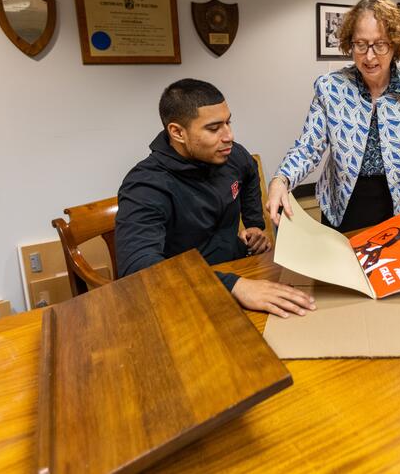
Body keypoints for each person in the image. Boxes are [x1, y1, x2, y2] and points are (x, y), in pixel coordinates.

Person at [115, 78, 316, 318]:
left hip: (238, 271)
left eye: (228, 122)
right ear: (178, 132)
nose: (229, 135)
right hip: (181, 295)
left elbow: (250, 170)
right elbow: (138, 270)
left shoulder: (229, 155)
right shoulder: (145, 185)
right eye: (213, 128)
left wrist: (254, 224)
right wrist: (232, 286)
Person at [267, 0, 400, 232]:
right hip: (344, 203)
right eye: (360, 44)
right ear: (350, 43)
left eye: (380, 44)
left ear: (395, 45)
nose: (369, 56)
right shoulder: (331, 88)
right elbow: (308, 147)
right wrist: (280, 179)